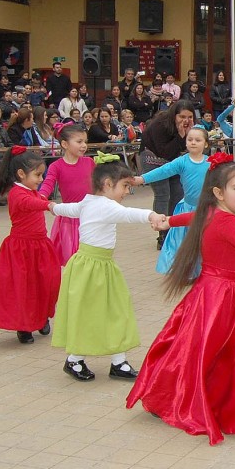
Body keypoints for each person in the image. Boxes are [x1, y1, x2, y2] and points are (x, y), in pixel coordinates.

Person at [126, 161, 235, 445]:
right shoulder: (227, 221)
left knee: (204, 349)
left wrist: (167, 220)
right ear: (218, 192)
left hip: (220, 293)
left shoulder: (211, 212)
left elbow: (191, 217)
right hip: (222, 296)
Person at [50, 156, 166, 381]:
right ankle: (76, 359)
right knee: (96, 313)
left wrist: (53, 207)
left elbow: (70, 209)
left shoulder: (89, 202)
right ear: (107, 185)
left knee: (112, 310)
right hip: (91, 268)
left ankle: (117, 361)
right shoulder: (105, 206)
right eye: (125, 186)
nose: (127, 192)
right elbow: (129, 214)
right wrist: (151, 215)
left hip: (98, 266)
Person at [0, 147, 59, 344]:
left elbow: (40, 197)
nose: (41, 179)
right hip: (21, 248)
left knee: (47, 283)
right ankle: (24, 326)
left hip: (40, 245)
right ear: (21, 174)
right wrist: (49, 205)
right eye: (37, 175)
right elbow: (29, 204)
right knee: (23, 288)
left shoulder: (32, 191)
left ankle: (42, 316)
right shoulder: (18, 194)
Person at [132, 127, 211, 273]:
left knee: (205, 241)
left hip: (206, 210)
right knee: (184, 242)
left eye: (198, 140)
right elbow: (163, 171)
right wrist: (142, 178)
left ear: (206, 144)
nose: (193, 142)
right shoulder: (182, 161)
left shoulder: (212, 163)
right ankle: (186, 272)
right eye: (190, 139)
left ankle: (204, 271)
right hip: (187, 208)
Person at [139, 100, 197, 249]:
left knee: (177, 195)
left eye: (190, 117)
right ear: (174, 115)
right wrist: (180, 135)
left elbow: (188, 147)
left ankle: (172, 228)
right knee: (163, 195)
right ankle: (162, 234)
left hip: (172, 162)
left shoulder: (190, 127)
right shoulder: (161, 124)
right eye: (182, 117)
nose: (186, 120)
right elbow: (164, 151)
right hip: (153, 158)